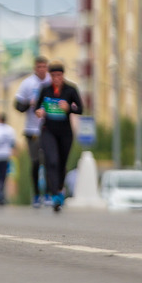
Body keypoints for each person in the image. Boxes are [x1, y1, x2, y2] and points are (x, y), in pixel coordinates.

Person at [34, 62, 84, 212]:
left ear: (63, 76)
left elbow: (81, 108)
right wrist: (39, 112)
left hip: (65, 132)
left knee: (62, 163)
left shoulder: (70, 90)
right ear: (50, 76)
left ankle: (60, 189)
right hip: (48, 130)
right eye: (53, 75)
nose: (56, 78)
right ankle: (55, 194)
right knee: (52, 161)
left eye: (59, 75)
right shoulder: (45, 90)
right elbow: (37, 107)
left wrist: (69, 108)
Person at [14, 56, 51, 207]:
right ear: (35, 68)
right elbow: (17, 105)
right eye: (39, 67)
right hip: (32, 130)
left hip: (49, 129)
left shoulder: (51, 82)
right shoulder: (27, 83)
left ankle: (49, 193)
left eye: (44, 66)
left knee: (50, 161)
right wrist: (28, 104)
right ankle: (36, 194)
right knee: (36, 162)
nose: (42, 69)